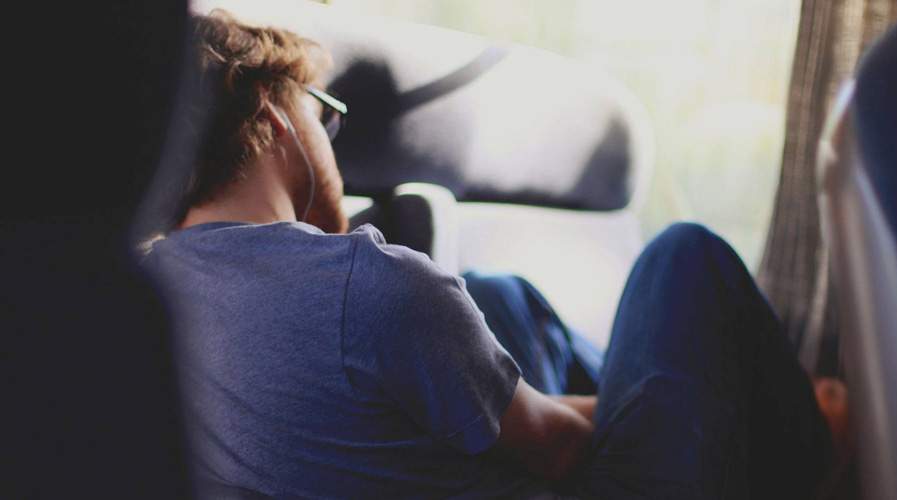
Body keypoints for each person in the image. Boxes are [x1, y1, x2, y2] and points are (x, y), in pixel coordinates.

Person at [144, 11, 831, 499]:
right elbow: (559, 451)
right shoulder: (367, 285)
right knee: (682, 259)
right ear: (274, 115)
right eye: (322, 113)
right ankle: (829, 460)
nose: (330, 136)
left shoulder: (137, 298)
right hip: (570, 476)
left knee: (496, 294)